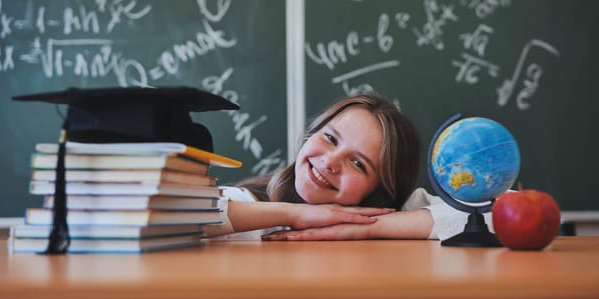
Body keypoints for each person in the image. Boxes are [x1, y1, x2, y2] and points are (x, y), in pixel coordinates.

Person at [203, 93, 483, 241]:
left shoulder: (391, 213)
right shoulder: (246, 204)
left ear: (381, 192)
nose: (330, 162)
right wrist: (295, 214)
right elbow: (165, 213)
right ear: (310, 134)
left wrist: (370, 228)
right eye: (329, 138)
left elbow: (497, 211)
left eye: (359, 163)